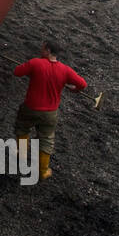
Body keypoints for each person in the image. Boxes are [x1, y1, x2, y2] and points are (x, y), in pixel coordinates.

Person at [13, 40, 88, 181]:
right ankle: (42, 172)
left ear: (47, 50)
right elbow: (82, 84)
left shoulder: (35, 63)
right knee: (46, 139)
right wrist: (75, 90)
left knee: (22, 128)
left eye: (43, 49)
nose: (41, 50)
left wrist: (31, 72)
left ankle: (21, 154)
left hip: (30, 107)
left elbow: (17, 72)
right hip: (50, 113)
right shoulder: (65, 70)